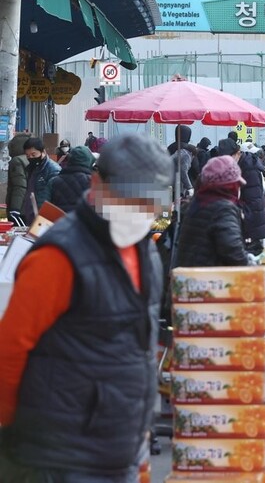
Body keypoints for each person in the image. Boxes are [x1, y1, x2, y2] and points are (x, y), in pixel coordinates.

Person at [0, 133, 172, 480]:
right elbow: (10, 349)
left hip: (117, 450)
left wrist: (138, 437)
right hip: (57, 456)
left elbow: (137, 349)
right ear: (98, 185)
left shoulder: (146, 252)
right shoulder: (59, 256)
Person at [176, 156, 249, 267]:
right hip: (211, 279)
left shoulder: (196, 203)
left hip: (190, 277)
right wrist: (249, 264)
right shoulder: (223, 209)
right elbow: (232, 250)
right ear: (230, 185)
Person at [219, 139, 265, 255]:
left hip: (251, 225)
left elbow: (253, 201)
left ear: (238, 153)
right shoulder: (239, 166)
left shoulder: (248, 168)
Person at [21, 137, 61, 225]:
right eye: (28, 156)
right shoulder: (31, 169)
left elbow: (56, 198)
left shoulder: (53, 170)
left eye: (33, 154)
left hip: (45, 220)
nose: (30, 158)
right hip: (31, 217)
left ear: (43, 152)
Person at [44, 146, 95, 214]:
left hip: (59, 223)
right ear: (89, 161)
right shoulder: (95, 183)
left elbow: (44, 208)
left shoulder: (53, 181)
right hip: (85, 223)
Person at [5, 132, 30, 218]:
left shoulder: (16, 161)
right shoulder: (29, 159)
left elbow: (19, 186)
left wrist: (15, 208)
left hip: (20, 207)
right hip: (29, 206)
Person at [168, 125, 198, 197]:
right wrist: (190, 187)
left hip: (169, 183)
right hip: (184, 186)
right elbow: (190, 170)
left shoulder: (170, 147)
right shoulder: (188, 151)